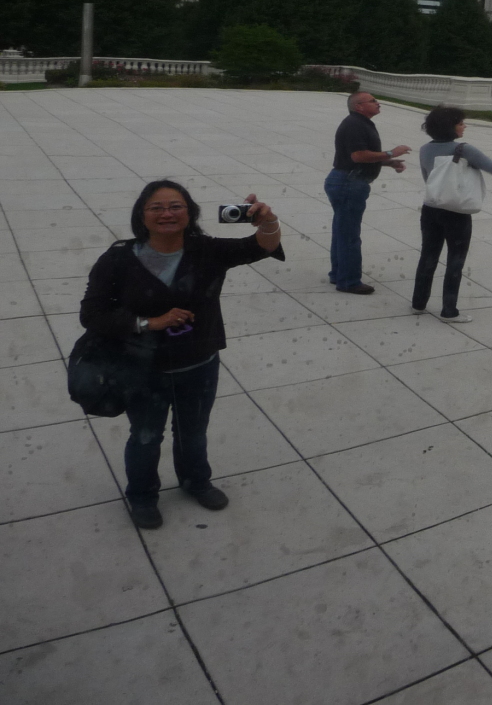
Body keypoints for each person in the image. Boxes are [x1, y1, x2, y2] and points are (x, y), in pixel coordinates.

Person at [79, 181, 285, 530]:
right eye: (156, 208)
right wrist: (149, 322)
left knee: (193, 432)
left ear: (190, 213)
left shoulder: (207, 250)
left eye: (176, 206)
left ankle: (196, 481)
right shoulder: (118, 259)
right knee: (146, 435)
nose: (167, 214)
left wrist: (268, 221)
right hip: (145, 368)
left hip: (199, 362)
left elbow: (261, 246)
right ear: (141, 215)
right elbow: (92, 314)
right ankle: (142, 495)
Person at [413, 105, 492, 319]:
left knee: (428, 256)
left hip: (431, 209)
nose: (465, 126)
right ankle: (449, 311)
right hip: (457, 212)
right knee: (455, 261)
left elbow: (429, 180)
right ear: (450, 127)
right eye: (461, 123)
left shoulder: (424, 149)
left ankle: (418, 303)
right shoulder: (464, 150)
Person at [325, 92, 410, 295]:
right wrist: (391, 153)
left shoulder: (360, 123)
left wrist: (388, 163)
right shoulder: (355, 125)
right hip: (349, 182)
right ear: (359, 106)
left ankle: (339, 273)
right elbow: (358, 156)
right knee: (349, 235)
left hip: (346, 181)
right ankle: (349, 281)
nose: (378, 103)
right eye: (372, 101)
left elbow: (359, 155)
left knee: (342, 231)